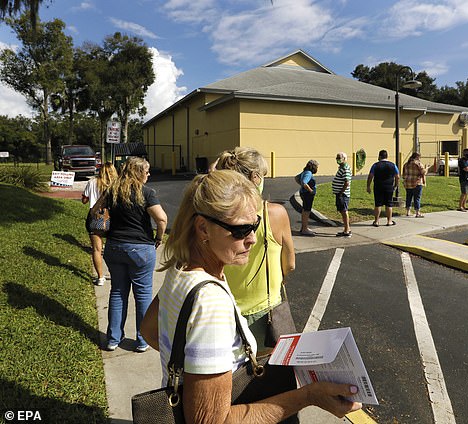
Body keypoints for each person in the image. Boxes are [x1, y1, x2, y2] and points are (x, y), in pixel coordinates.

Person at [140, 170, 361, 423]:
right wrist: (309, 396)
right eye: (241, 230)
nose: (253, 239)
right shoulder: (211, 302)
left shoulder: (181, 268)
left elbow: (148, 330)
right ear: (203, 228)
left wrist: (197, 369)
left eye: (254, 224)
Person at [215, 147, 295, 347]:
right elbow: (290, 264)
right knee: (264, 373)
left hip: (224, 310)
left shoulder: (216, 216)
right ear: (255, 177)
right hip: (265, 313)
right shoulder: (274, 214)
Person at [103, 157, 168, 352]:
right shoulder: (146, 193)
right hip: (140, 249)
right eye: (146, 171)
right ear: (138, 172)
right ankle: (142, 340)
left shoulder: (112, 190)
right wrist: (159, 238)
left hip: (114, 247)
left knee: (117, 292)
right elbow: (162, 219)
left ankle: (113, 338)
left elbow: (96, 210)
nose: (148, 175)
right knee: (142, 294)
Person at [82, 162, 118, 286]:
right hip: (112, 219)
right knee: (113, 249)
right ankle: (116, 274)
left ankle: (100, 277)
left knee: (97, 249)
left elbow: (84, 200)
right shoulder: (116, 185)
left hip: (94, 218)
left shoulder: (92, 182)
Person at [366, 150, 399, 226]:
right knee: (389, 204)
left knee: (378, 204)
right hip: (389, 187)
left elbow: (370, 176)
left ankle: (376, 221)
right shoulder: (393, 165)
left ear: (379, 156)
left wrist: (368, 186)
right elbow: (397, 176)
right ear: (387, 156)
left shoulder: (375, 165)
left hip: (378, 186)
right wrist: (395, 185)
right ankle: (389, 221)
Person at [332, 152, 352, 237]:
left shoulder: (345, 169)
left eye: (339, 157)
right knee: (342, 210)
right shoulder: (342, 167)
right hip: (340, 194)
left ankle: (347, 230)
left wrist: (341, 192)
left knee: (344, 211)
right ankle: (346, 229)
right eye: (337, 157)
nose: (337, 159)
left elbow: (347, 182)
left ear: (344, 159)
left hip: (343, 194)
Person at [402, 152, 427, 217]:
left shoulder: (406, 164)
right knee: (417, 198)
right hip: (417, 182)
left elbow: (403, 174)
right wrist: (426, 169)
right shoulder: (418, 163)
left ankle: (408, 211)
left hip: (408, 183)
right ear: (417, 157)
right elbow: (423, 172)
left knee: (408, 197)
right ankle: (417, 212)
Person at [298, 159, 319, 236]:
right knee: (306, 211)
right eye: (316, 166)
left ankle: (304, 227)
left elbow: (297, 178)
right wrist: (311, 190)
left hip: (304, 193)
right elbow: (304, 182)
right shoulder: (308, 173)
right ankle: (304, 229)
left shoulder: (305, 172)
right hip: (307, 194)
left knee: (305, 210)